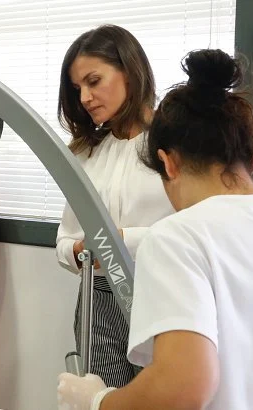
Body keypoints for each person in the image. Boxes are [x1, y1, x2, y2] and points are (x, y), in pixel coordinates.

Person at [58, 48, 253, 409]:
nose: (86, 97)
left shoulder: (177, 238)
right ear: (250, 157)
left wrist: (98, 400)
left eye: (94, 81)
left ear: (167, 164)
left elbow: (182, 387)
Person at [55, 24, 173, 386]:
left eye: (94, 81)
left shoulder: (175, 143)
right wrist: (78, 250)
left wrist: (121, 239)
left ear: (129, 71)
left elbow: (201, 228)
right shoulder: (86, 153)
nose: (86, 97)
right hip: (97, 299)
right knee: (99, 399)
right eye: (78, 89)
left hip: (162, 295)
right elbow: (63, 240)